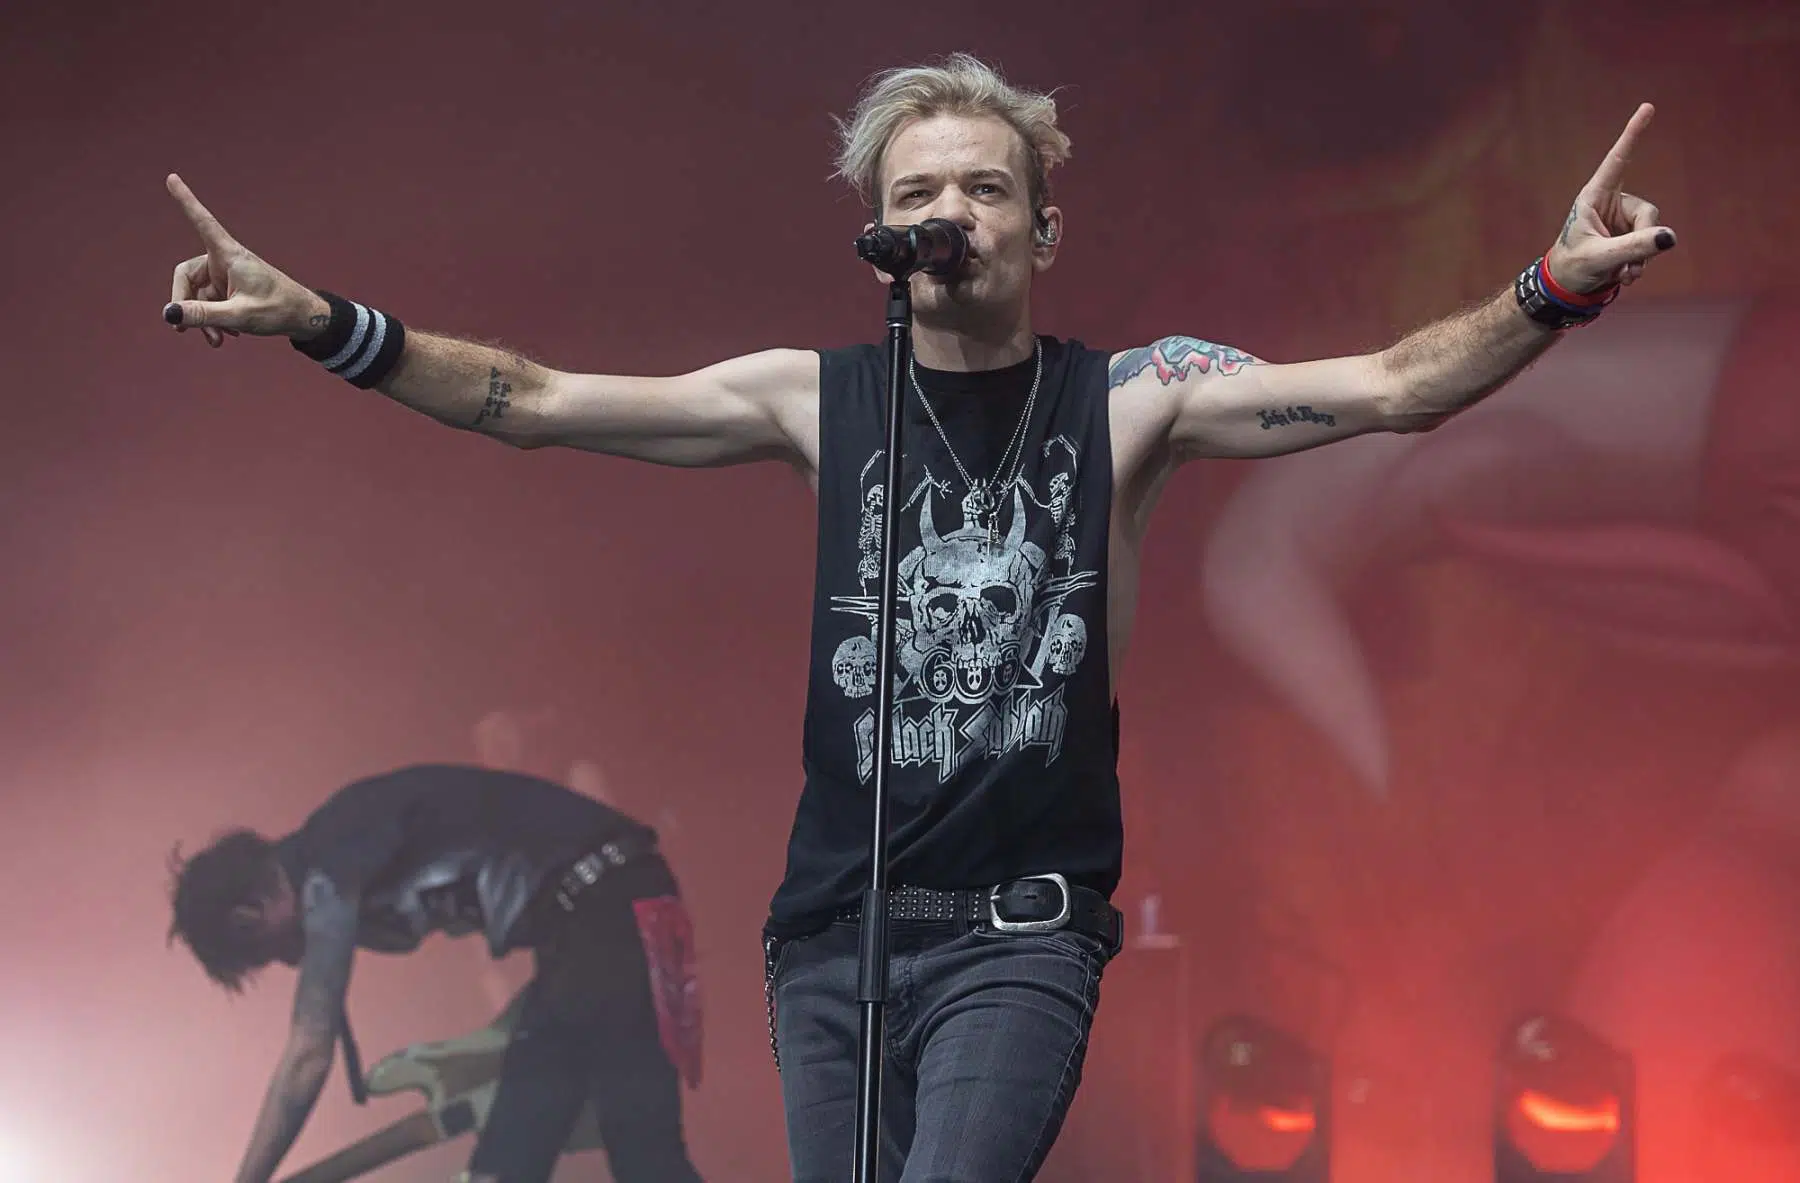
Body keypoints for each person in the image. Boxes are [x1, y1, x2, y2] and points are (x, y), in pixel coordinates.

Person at [159, 53, 1676, 1181]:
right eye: (916, 195)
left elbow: (1398, 386)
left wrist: (1555, 283)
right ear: (880, 234)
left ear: (1043, 231)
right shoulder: (814, 399)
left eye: (985, 188)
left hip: (1018, 931)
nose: (950, 211)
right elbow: (539, 401)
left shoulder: (1135, 401)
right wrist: (323, 325)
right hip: (831, 936)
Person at [166, 764, 704, 1183]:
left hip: (606, 910)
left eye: (270, 952)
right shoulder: (340, 848)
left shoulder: (328, 871)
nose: (291, 962)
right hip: (596, 921)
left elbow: (308, 1056)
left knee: (635, 1154)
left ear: (249, 916)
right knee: (534, 1163)